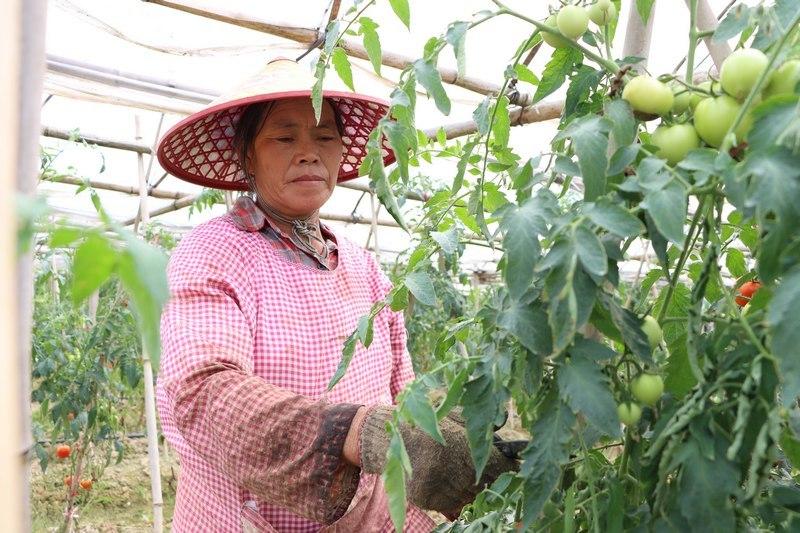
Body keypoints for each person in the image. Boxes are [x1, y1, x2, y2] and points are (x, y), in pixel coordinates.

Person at [155, 58, 515, 532]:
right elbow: (202, 393)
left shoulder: (362, 266)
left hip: (371, 515)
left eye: (324, 137)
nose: (308, 153)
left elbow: (398, 389)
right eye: (284, 138)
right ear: (247, 155)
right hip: (251, 520)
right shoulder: (215, 251)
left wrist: (447, 414)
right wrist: (357, 431)